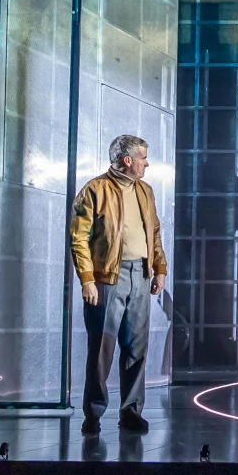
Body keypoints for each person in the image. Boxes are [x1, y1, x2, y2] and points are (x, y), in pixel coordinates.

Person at [69, 134, 168, 435]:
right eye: (143, 158)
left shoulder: (145, 191)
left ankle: (131, 413)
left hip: (140, 274)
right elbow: (78, 239)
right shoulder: (94, 190)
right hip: (106, 280)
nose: (146, 164)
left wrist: (159, 268)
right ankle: (94, 414)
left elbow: (154, 231)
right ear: (128, 160)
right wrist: (87, 279)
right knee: (102, 348)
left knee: (137, 347)